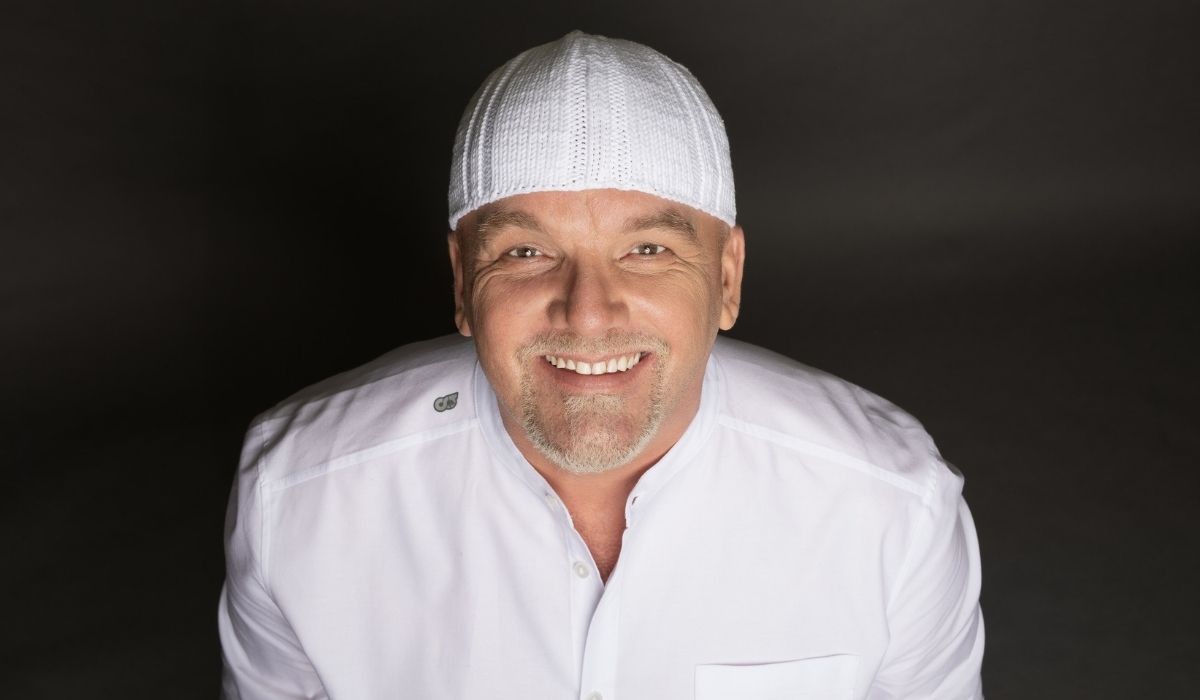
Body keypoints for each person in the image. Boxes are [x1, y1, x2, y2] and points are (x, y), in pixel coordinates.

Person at [218, 30, 984, 699]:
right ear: (461, 282)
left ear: (727, 278)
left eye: (646, 250)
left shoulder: (890, 509)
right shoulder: (298, 497)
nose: (587, 313)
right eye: (526, 252)